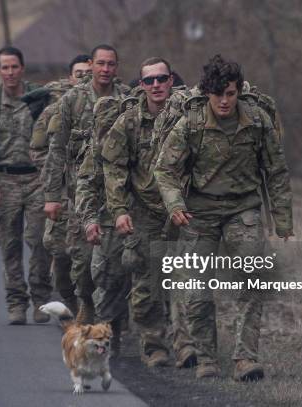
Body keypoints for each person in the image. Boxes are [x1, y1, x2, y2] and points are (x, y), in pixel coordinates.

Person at [154, 55, 293, 380]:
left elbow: (276, 171)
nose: (224, 101)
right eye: (218, 94)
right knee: (197, 289)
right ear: (207, 93)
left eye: (230, 93)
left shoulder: (257, 120)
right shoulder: (191, 123)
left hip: (243, 209)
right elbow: (165, 169)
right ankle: (206, 358)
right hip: (199, 211)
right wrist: (174, 204)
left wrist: (283, 218)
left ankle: (246, 359)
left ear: (238, 91)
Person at [43, 44, 130, 324]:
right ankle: (86, 306)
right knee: (80, 262)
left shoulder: (127, 99)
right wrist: (52, 195)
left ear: (117, 67)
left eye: (111, 64)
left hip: (118, 193)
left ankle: (112, 325)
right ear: (91, 65)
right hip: (78, 194)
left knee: (115, 265)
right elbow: (56, 149)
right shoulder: (71, 100)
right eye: (101, 63)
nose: (106, 69)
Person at [99, 57, 177, 366]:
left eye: (161, 79)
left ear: (171, 80)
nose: (156, 85)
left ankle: (189, 346)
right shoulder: (128, 122)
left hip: (184, 210)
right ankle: (153, 344)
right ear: (141, 85)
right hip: (145, 210)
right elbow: (114, 168)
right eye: (149, 81)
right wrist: (118, 210)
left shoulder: (187, 116)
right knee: (147, 281)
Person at [0, 46, 52, 325]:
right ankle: (16, 302)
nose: (10, 72)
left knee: (41, 241)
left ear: (22, 68)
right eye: (4, 67)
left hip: (36, 179)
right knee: (9, 245)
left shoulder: (39, 99)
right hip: (3, 180)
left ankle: (41, 299)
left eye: (14, 66)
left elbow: (55, 138)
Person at [29, 54, 92, 315]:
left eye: (89, 73)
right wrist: (60, 173)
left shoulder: (108, 106)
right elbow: (38, 149)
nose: (84, 78)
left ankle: (88, 313)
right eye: (79, 73)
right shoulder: (56, 110)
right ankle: (68, 297)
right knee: (60, 253)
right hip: (64, 192)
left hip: (91, 195)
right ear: (70, 77)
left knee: (87, 258)